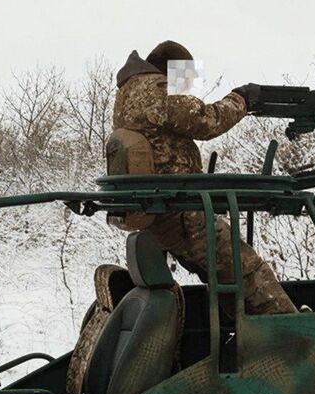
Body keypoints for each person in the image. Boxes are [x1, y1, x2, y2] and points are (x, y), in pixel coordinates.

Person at [108, 40, 297, 316]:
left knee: (225, 275)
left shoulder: (129, 91)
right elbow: (207, 121)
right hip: (180, 214)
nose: (186, 87)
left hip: (161, 212)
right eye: (184, 77)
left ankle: (247, 330)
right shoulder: (155, 89)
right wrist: (241, 99)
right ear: (170, 70)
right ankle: (297, 334)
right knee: (249, 271)